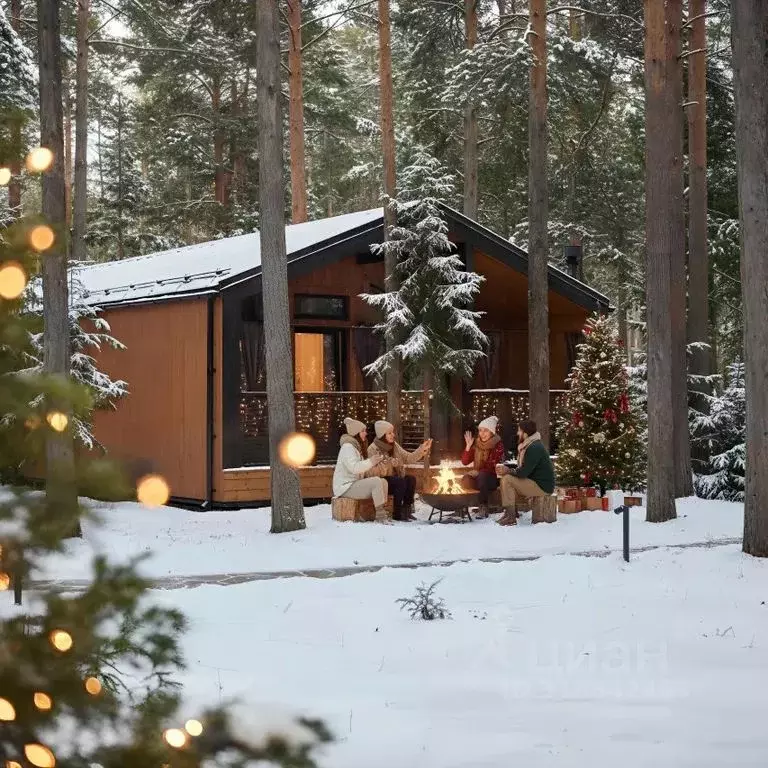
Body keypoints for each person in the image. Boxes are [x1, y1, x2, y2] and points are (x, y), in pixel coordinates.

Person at [367, 420, 433, 521]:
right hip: (381, 481)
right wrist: (389, 463)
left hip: (395, 480)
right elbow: (373, 471)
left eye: (392, 432)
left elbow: (408, 457)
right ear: (382, 435)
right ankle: (397, 513)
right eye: (389, 433)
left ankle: (406, 511)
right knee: (400, 481)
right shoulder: (372, 449)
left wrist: (422, 449)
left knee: (411, 479)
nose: (393, 435)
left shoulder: (394, 445)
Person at [496, 419, 556, 526]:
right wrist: (508, 468)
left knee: (507, 479)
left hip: (542, 487)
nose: (518, 433)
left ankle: (511, 517)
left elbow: (523, 472)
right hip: (534, 481)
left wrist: (508, 471)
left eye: (519, 431)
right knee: (507, 478)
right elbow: (524, 467)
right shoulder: (529, 445)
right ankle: (511, 513)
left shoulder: (534, 447)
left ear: (526, 434)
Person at [332, 417, 390, 523]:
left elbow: (362, 470)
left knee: (383, 482)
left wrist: (378, 464)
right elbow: (354, 468)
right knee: (376, 481)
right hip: (345, 487)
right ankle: (380, 516)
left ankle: (380, 512)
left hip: (353, 484)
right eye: (363, 431)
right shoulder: (347, 447)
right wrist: (371, 461)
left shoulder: (356, 447)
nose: (366, 433)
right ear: (355, 433)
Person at [460, 415, 505, 518]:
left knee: (483, 475)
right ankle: (462, 506)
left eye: (485, 431)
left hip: (492, 478)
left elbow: (492, 465)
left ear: (492, 432)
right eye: (480, 430)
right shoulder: (476, 444)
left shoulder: (498, 445)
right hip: (479, 477)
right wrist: (468, 446)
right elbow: (465, 461)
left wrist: (477, 472)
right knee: (466, 479)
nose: (482, 434)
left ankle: (483, 507)